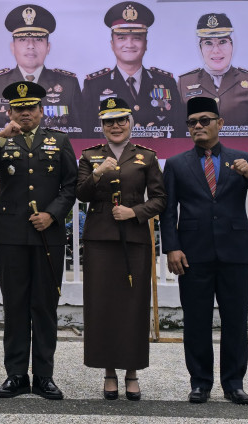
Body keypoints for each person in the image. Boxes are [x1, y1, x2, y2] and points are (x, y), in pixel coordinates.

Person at [160, 96, 248, 405]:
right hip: (193, 255)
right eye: (192, 123)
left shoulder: (243, 158)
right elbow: (168, 212)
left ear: (219, 124)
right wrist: (172, 247)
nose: (198, 126)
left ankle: (234, 383)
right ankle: (200, 382)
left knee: (235, 320)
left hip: (234, 254)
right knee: (196, 320)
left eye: (204, 121)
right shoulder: (176, 164)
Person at [0, 81, 77, 400]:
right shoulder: (4, 140)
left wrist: (52, 215)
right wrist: (0, 138)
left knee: (44, 307)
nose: (25, 114)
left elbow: (70, 186)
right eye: (19, 109)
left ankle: (43, 376)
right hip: (11, 237)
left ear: (41, 111)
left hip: (48, 236)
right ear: (10, 112)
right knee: (15, 306)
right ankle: (16, 375)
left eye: (31, 108)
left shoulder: (59, 141)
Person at [76, 97, 166, 401]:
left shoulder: (146, 157)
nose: (116, 126)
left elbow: (160, 199)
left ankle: (132, 372)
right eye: (109, 121)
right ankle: (109, 372)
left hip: (134, 239)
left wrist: (135, 212)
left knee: (132, 307)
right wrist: (98, 172)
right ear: (101, 125)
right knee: (102, 306)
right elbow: (80, 192)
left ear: (131, 122)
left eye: (121, 120)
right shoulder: (89, 156)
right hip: (100, 238)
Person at [82, 1, 185, 138]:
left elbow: (178, 131)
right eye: (122, 38)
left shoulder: (166, 82)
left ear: (146, 43)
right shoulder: (94, 85)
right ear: (112, 44)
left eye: (137, 38)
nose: (129, 44)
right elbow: (86, 134)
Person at [178, 13, 248, 137]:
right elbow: (177, 134)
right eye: (208, 43)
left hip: (239, 156)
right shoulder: (184, 83)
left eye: (222, 41)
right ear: (200, 47)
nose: (216, 50)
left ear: (232, 45)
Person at [0, 4, 82, 136]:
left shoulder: (68, 84)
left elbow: (80, 134)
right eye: (23, 39)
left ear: (48, 47)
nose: (31, 46)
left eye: (38, 39)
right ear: (13, 47)